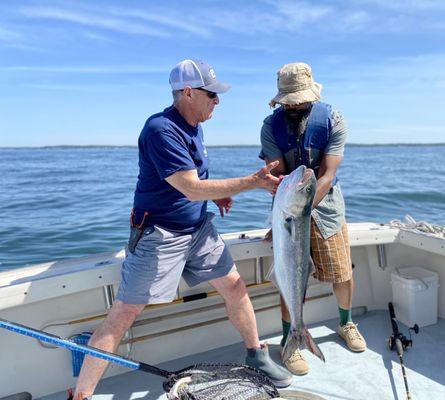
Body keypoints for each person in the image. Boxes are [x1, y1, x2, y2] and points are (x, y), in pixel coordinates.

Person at [69, 59, 292, 400]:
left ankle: (256, 354)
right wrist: (253, 182)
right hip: (159, 234)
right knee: (124, 312)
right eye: (211, 95)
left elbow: (195, 179)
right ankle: (81, 394)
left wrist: (219, 195)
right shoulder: (160, 129)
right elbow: (189, 187)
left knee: (235, 287)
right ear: (188, 93)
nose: (217, 102)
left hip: (198, 228)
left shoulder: (195, 124)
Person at [259, 62, 367, 376]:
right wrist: (286, 208)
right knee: (290, 274)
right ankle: (288, 338)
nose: (295, 107)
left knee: (341, 270)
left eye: (300, 101)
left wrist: (300, 210)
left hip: (325, 206)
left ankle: (346, 323)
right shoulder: (270, 126)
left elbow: (328, 174)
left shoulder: (333, 120)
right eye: (289, 102)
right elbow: (276, 173)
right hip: (288, 208)